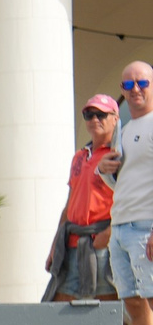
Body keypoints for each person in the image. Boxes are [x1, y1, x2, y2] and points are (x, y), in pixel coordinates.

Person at [100, 63, 153, 325]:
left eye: (143, 82)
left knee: (151, 302)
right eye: (128, 83)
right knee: (134, 305)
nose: (135, 89)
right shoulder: (127, 129)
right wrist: (106, 172)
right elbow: (122, 180)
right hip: (121, 225)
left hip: (145, 226)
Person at [49, 95, 119, 306]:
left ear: (115, 118)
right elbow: (70, 203)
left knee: (110, 305)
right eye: (89, 114)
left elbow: (131, 199)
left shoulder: (118, 156)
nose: (94, 119)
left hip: (101, 244)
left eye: (101, 114)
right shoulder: (79, 156)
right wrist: (55, 245)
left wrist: (109, 233)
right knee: (61, 301)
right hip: (71, 243)